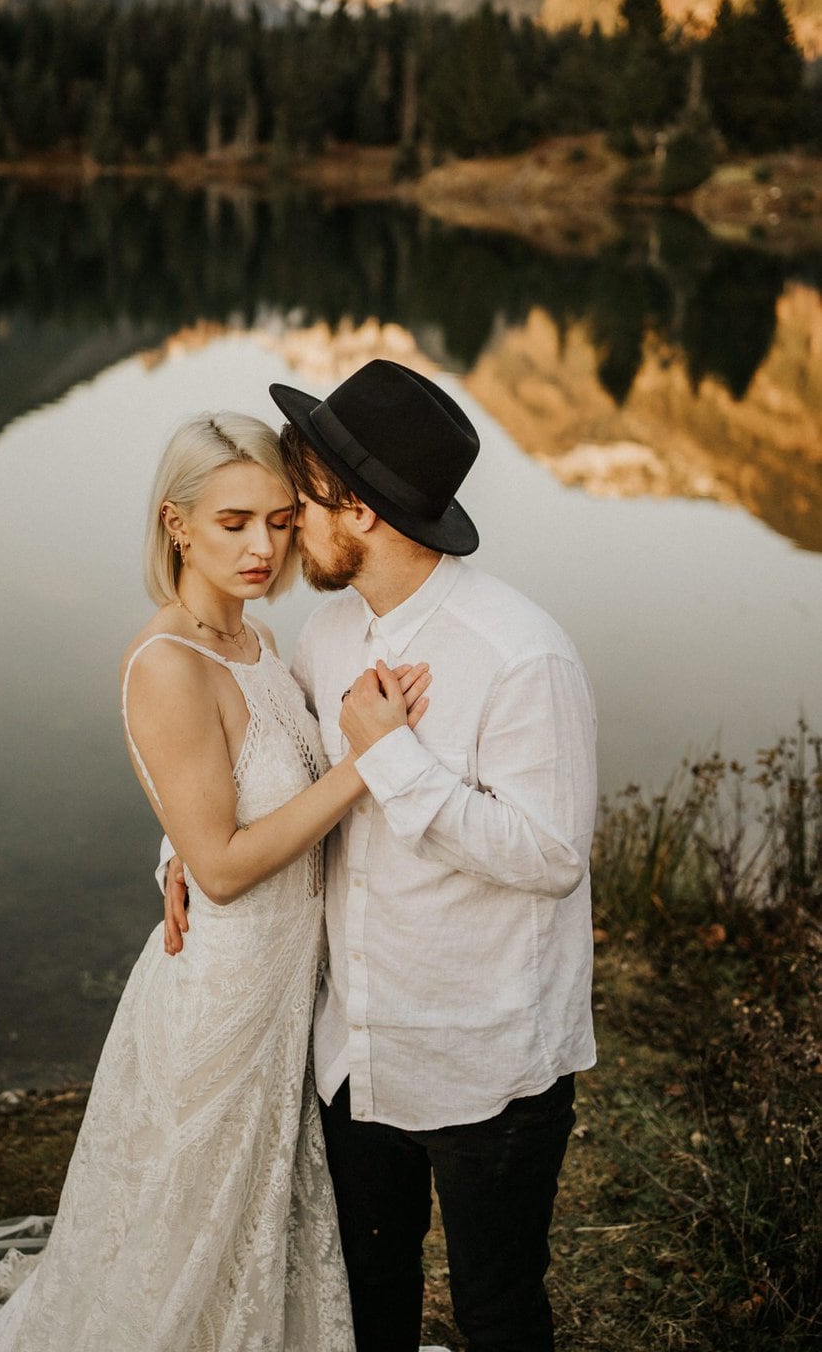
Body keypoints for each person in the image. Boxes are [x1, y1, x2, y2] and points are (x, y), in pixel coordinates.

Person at [0, 411, 431, 1352]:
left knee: (255, 1220)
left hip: (286, 995)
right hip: (220, 1000)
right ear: (176, 523)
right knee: (180, 1235)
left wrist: (172, 853)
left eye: (280, 521)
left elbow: (225, 806)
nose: (263, 546)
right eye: (234, 522)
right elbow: (227, 869)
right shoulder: (167, 665)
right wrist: (366, 765)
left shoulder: (261, 646)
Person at [164, 361, 597, 1352]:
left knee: (496, 1310)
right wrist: (183, 849)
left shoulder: (521, 654)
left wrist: (393, 758)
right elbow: (271, 772)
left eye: (297, 508)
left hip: (487, 1058)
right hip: (352, 1045)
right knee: (365, 1298)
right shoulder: (325, 633)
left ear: (354, 510)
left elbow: (550, 854)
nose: (280, 535)